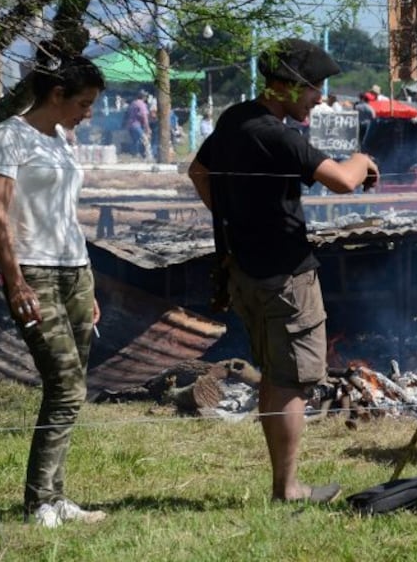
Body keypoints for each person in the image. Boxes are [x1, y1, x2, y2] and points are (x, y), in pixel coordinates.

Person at [188, 38, 379, 502]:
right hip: (287, 278)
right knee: (291, 380)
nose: (319, 97)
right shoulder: (278, 135)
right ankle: (288, 488)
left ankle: (283, 484)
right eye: (315, 87)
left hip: (246, 272)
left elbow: (198, 171)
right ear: (288, 86)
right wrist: (363, 160)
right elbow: (343, 182)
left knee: (275, 377)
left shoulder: (234, 119)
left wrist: (235, 220)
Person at [0, 44, 108, 528]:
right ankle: (38, 502)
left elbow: (65, 216)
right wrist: (13, 281)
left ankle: (56, 496)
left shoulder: (60, 140)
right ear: (57, 93)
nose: (87, 114)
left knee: (73, 385)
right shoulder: (6, 137)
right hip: (32, 271)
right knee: (65, 385)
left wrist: (89, 285)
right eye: (83, 104)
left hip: (76, 270)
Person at [123, 89, 152, 160]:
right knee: (145, 140)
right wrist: (147, 129)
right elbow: (145, 117)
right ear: (144, 97)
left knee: (135, 141)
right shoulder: (142, 104)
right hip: (136, 126)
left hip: (130, 126)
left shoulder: (133, 103)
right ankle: (148, 157)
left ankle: (136, 156)